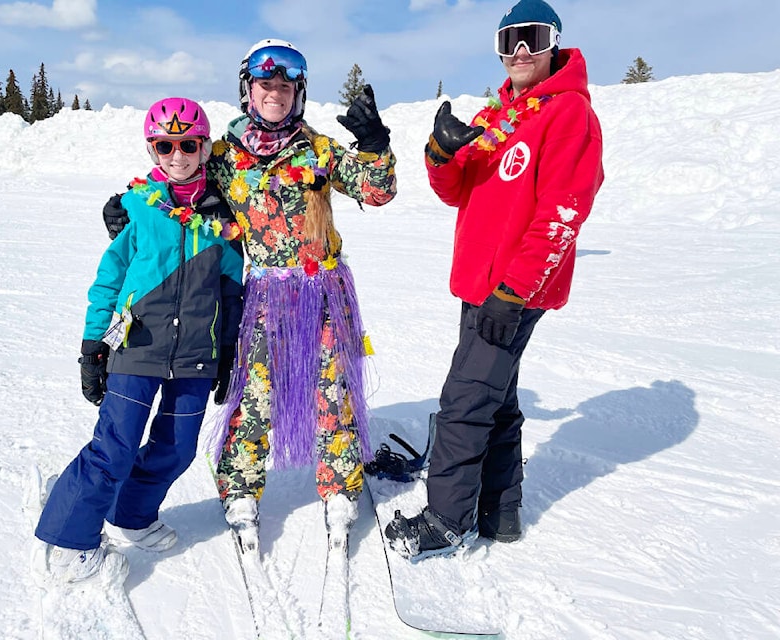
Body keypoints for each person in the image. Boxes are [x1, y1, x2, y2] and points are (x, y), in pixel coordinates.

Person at [104, 40, 397, 550]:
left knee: (333, 388)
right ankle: (240, 485)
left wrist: (375, 144)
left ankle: (341, 485)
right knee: (253, 391)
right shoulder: (221, 154)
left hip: (322, 289)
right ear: (248, 90)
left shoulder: (318, 149)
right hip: (260, 293)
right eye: (266, 84)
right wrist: (130, 206)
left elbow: (377, 190)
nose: (276, 93)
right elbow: (176, 180)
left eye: (285, 86)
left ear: (297, 93)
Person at [385, 0, 604, 562]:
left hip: (512, 289)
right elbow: (455, 191)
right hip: (481, 285)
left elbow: (564, 211)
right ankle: (498, 511)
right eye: (508, 40)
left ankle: (447, 519)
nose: (520, 51)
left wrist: (514, 291)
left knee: (463, 400)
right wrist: (440, 153)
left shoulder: (568, 113)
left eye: (531, 37)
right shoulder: (497, 116)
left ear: (554, 40)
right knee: (496, 397)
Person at [32, 97, 244, 584]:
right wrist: (92, 345)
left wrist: (227, 350)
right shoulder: (137, 208)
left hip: (196, 355)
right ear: (152, 150)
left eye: (188, 144)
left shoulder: (224, 221)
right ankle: (70, 540)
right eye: (165, 145)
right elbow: (109, 279)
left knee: (177, 447)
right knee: (116, 446)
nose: (178, 155)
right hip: (137, 346)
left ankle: (131, 514)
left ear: (205, 147)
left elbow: (232, 293)